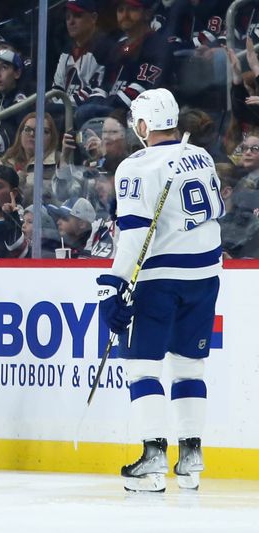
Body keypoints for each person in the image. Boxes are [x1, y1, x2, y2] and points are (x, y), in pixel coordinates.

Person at [96, 88, 222, 492]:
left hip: (159, 277)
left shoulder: (137, 165)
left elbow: (133, 234)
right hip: (205, 274)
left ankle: (152, 464)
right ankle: (191, 460)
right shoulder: (200, 155)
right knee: (190, 366)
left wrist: (114, 283)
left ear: (143, 124)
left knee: (142, 367)